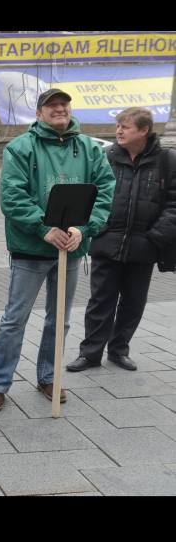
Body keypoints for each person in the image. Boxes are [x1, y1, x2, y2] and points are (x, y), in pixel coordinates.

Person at [0, 89, 116, 413]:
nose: (60, 109)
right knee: (15, 318)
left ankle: (48, 377)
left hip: (71, 249)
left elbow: (105, 192)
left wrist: (83, 229)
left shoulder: (88, 149)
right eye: (52, 105)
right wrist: (44, 229)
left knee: (60, 320)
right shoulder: (20, 148)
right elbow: (12, 197)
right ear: (40, 113)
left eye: (64, 104)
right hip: (31, 249)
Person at [68, 108, 176, 373]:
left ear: (144, 131)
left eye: (125, 127)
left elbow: (174, 205)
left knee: (133, 303)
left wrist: (154, 237)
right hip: (106, 242)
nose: (118, 131)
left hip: (145, 246)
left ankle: (118, 350)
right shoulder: (105, 157)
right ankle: (90, 354)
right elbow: (89, 196)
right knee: (99, 302)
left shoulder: (167, 159)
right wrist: (99, 228)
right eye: (118, 126)